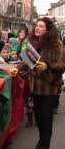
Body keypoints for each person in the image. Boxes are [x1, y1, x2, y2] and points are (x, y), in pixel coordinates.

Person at [17, 17, 65, 149]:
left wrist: (47, 66)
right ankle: (42, 141)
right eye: (36, 25)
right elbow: (26, 60)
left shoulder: (57, 44)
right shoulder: (33, 43)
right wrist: (16, 70)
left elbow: (61, 65)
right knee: (39, 117)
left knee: (46, 118)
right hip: (36, 88)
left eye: (41, 26)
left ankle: (43, 145)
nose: (37, 28)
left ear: (48, 30)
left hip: (49, 88)